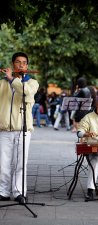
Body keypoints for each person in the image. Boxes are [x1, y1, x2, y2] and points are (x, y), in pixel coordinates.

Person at [0, 52, 39, 203]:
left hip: (23, 129)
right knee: (3, 163)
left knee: (20, 163)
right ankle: (3, 192)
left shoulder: (32, 83)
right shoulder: (2, 83)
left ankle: (19, 192)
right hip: (4, 129)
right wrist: (8, 79)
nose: (21, 65)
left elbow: (26, 92)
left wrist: (12, 79)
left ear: (27, 66)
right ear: (12, 65)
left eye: (24, 63)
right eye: (18, 62)